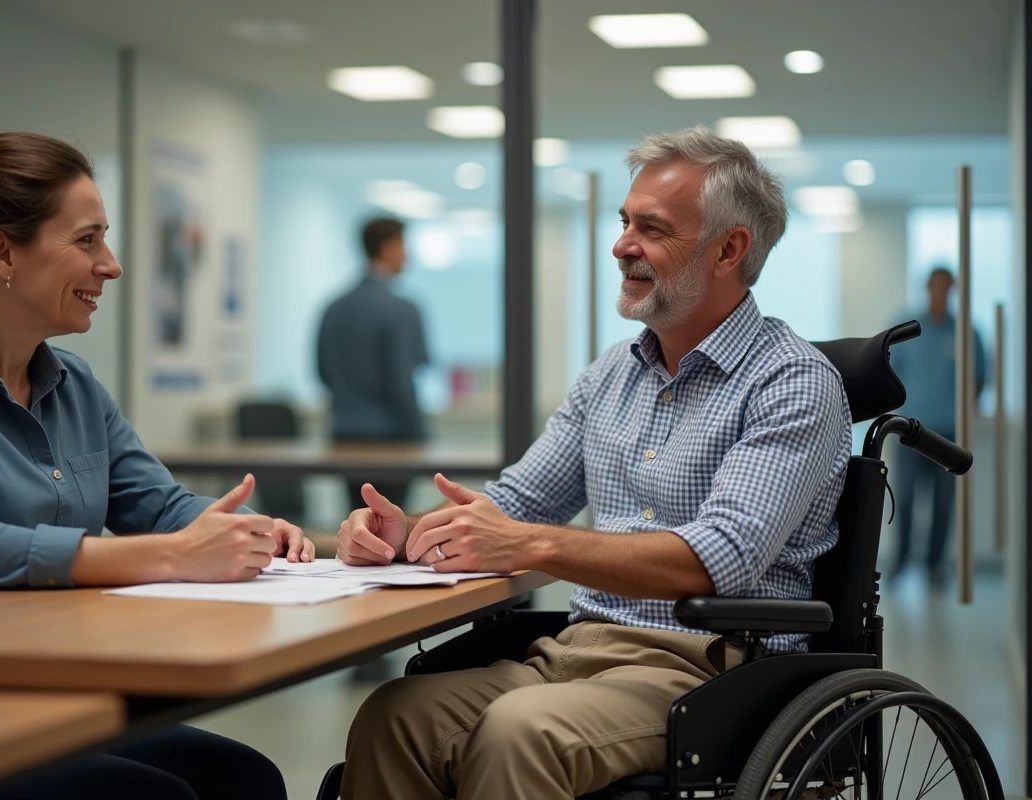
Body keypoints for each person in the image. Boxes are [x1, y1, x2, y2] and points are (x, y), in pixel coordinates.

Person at [334, 126, 853, 800]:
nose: (622, 246)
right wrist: (409, 534)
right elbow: (514, 504)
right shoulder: (613, 373)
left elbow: (719, 557)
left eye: (652, 228)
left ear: (729, 249)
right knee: (394, 717)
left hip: (710, 672)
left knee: (520, 730)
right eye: (624, 222)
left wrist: (536, 545)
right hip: (578, 651)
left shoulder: (791, 382)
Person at [0, 132, 306, 799]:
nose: (110, 265)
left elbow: (160, 505)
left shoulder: (75, 386)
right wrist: (176, 556)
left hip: (44, 685)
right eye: (87, 240)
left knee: (247, 779)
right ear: (2, 252)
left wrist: (249, 530)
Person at [317, 217, 429, 512]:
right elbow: (401, 383)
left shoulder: (334, 308)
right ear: (388, 248)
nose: (407, 255)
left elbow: (323, 373)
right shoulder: (402, 310)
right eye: (404, 246)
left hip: (344, 438)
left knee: (356, 520)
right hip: (392, 442)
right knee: (392, 527)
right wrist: (420, 437)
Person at [887, 266, 985, 587]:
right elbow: (887, 372)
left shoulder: (967, 333)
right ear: (927, 288)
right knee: (905, 496)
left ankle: (933, 566)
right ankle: (901, 561)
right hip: (909, 433)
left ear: (953, 290)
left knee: (943, 503)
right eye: (936, 286)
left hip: (949, 433)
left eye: (947, 287)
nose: (941, 292)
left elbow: (979, 378)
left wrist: (964, 409)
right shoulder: (907, 328)